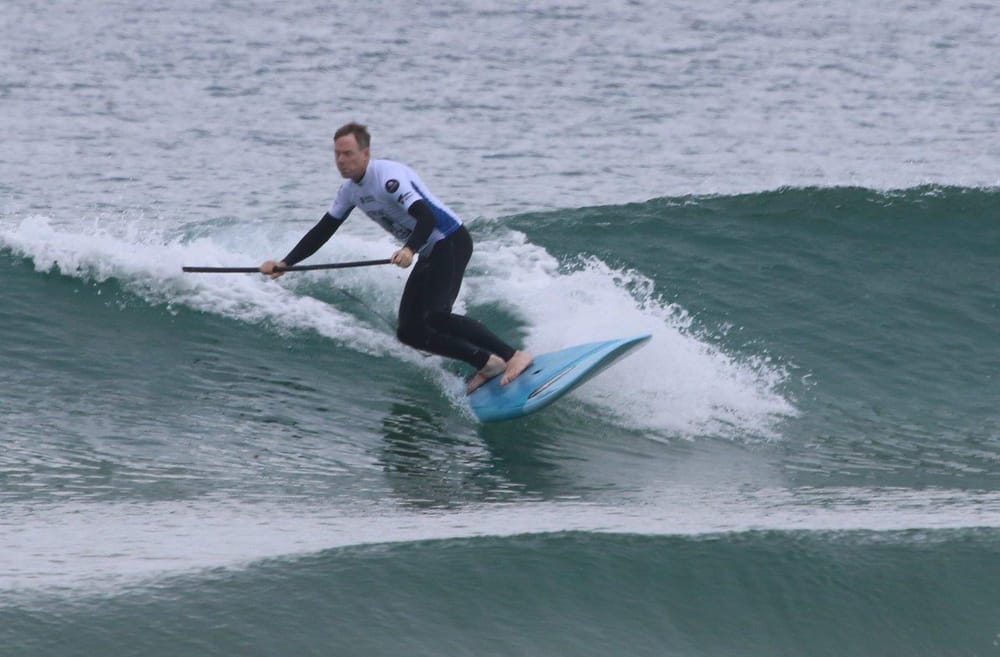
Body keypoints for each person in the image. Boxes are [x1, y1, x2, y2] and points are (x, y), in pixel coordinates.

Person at [260, 122, 533, 393]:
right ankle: (487, 363)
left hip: (450, 240)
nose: (341, 161)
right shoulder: (349, 191)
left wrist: (409, 249)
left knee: (437, 316)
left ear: (366, 154)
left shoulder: (388, 178)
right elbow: (324, 229)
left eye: (348, 154)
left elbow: (426, 216)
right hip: (428, 250)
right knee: (409, 331)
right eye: (337, 154)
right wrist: (287, 262)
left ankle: (512, 355)